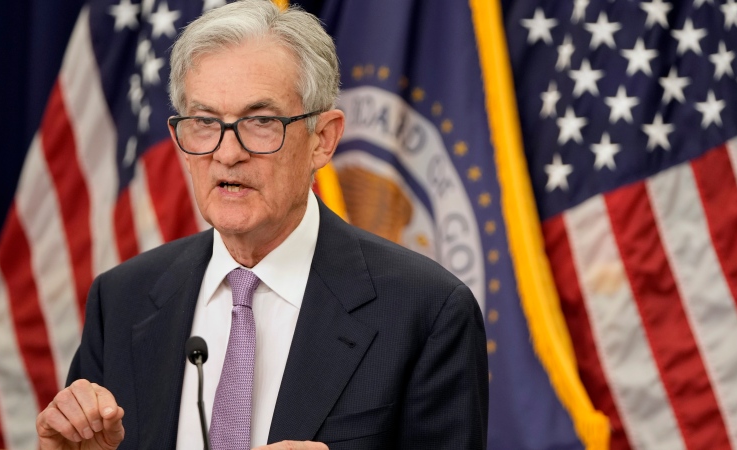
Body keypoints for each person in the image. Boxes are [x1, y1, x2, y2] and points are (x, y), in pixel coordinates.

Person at [35, 1, 488, 449]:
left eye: (260, 122)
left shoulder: (426, 311)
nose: (227, 153)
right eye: (205, 122)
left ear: (322, 139)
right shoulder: (121, 301)